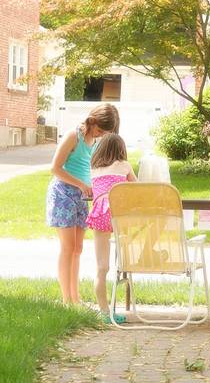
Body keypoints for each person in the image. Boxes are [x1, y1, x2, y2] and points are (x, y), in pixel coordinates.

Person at [46, 103, 119, 304]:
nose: (102, 135)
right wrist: (80, 184)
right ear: (93, 121)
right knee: (68, 248)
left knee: (78, 248)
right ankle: (66, 299)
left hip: (81, 197)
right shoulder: (73, 136)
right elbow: (55, 168)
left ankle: (75, 299)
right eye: (101, 130)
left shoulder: (94, 141)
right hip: (63, 195)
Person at [86, 133, 136, 324]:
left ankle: (104, 312)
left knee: (101, 267)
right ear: (121, 150)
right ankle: (137, 259)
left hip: (100, 213)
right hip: (119, 213)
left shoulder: (94, 168)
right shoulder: (124, 166)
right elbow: (138, 188)